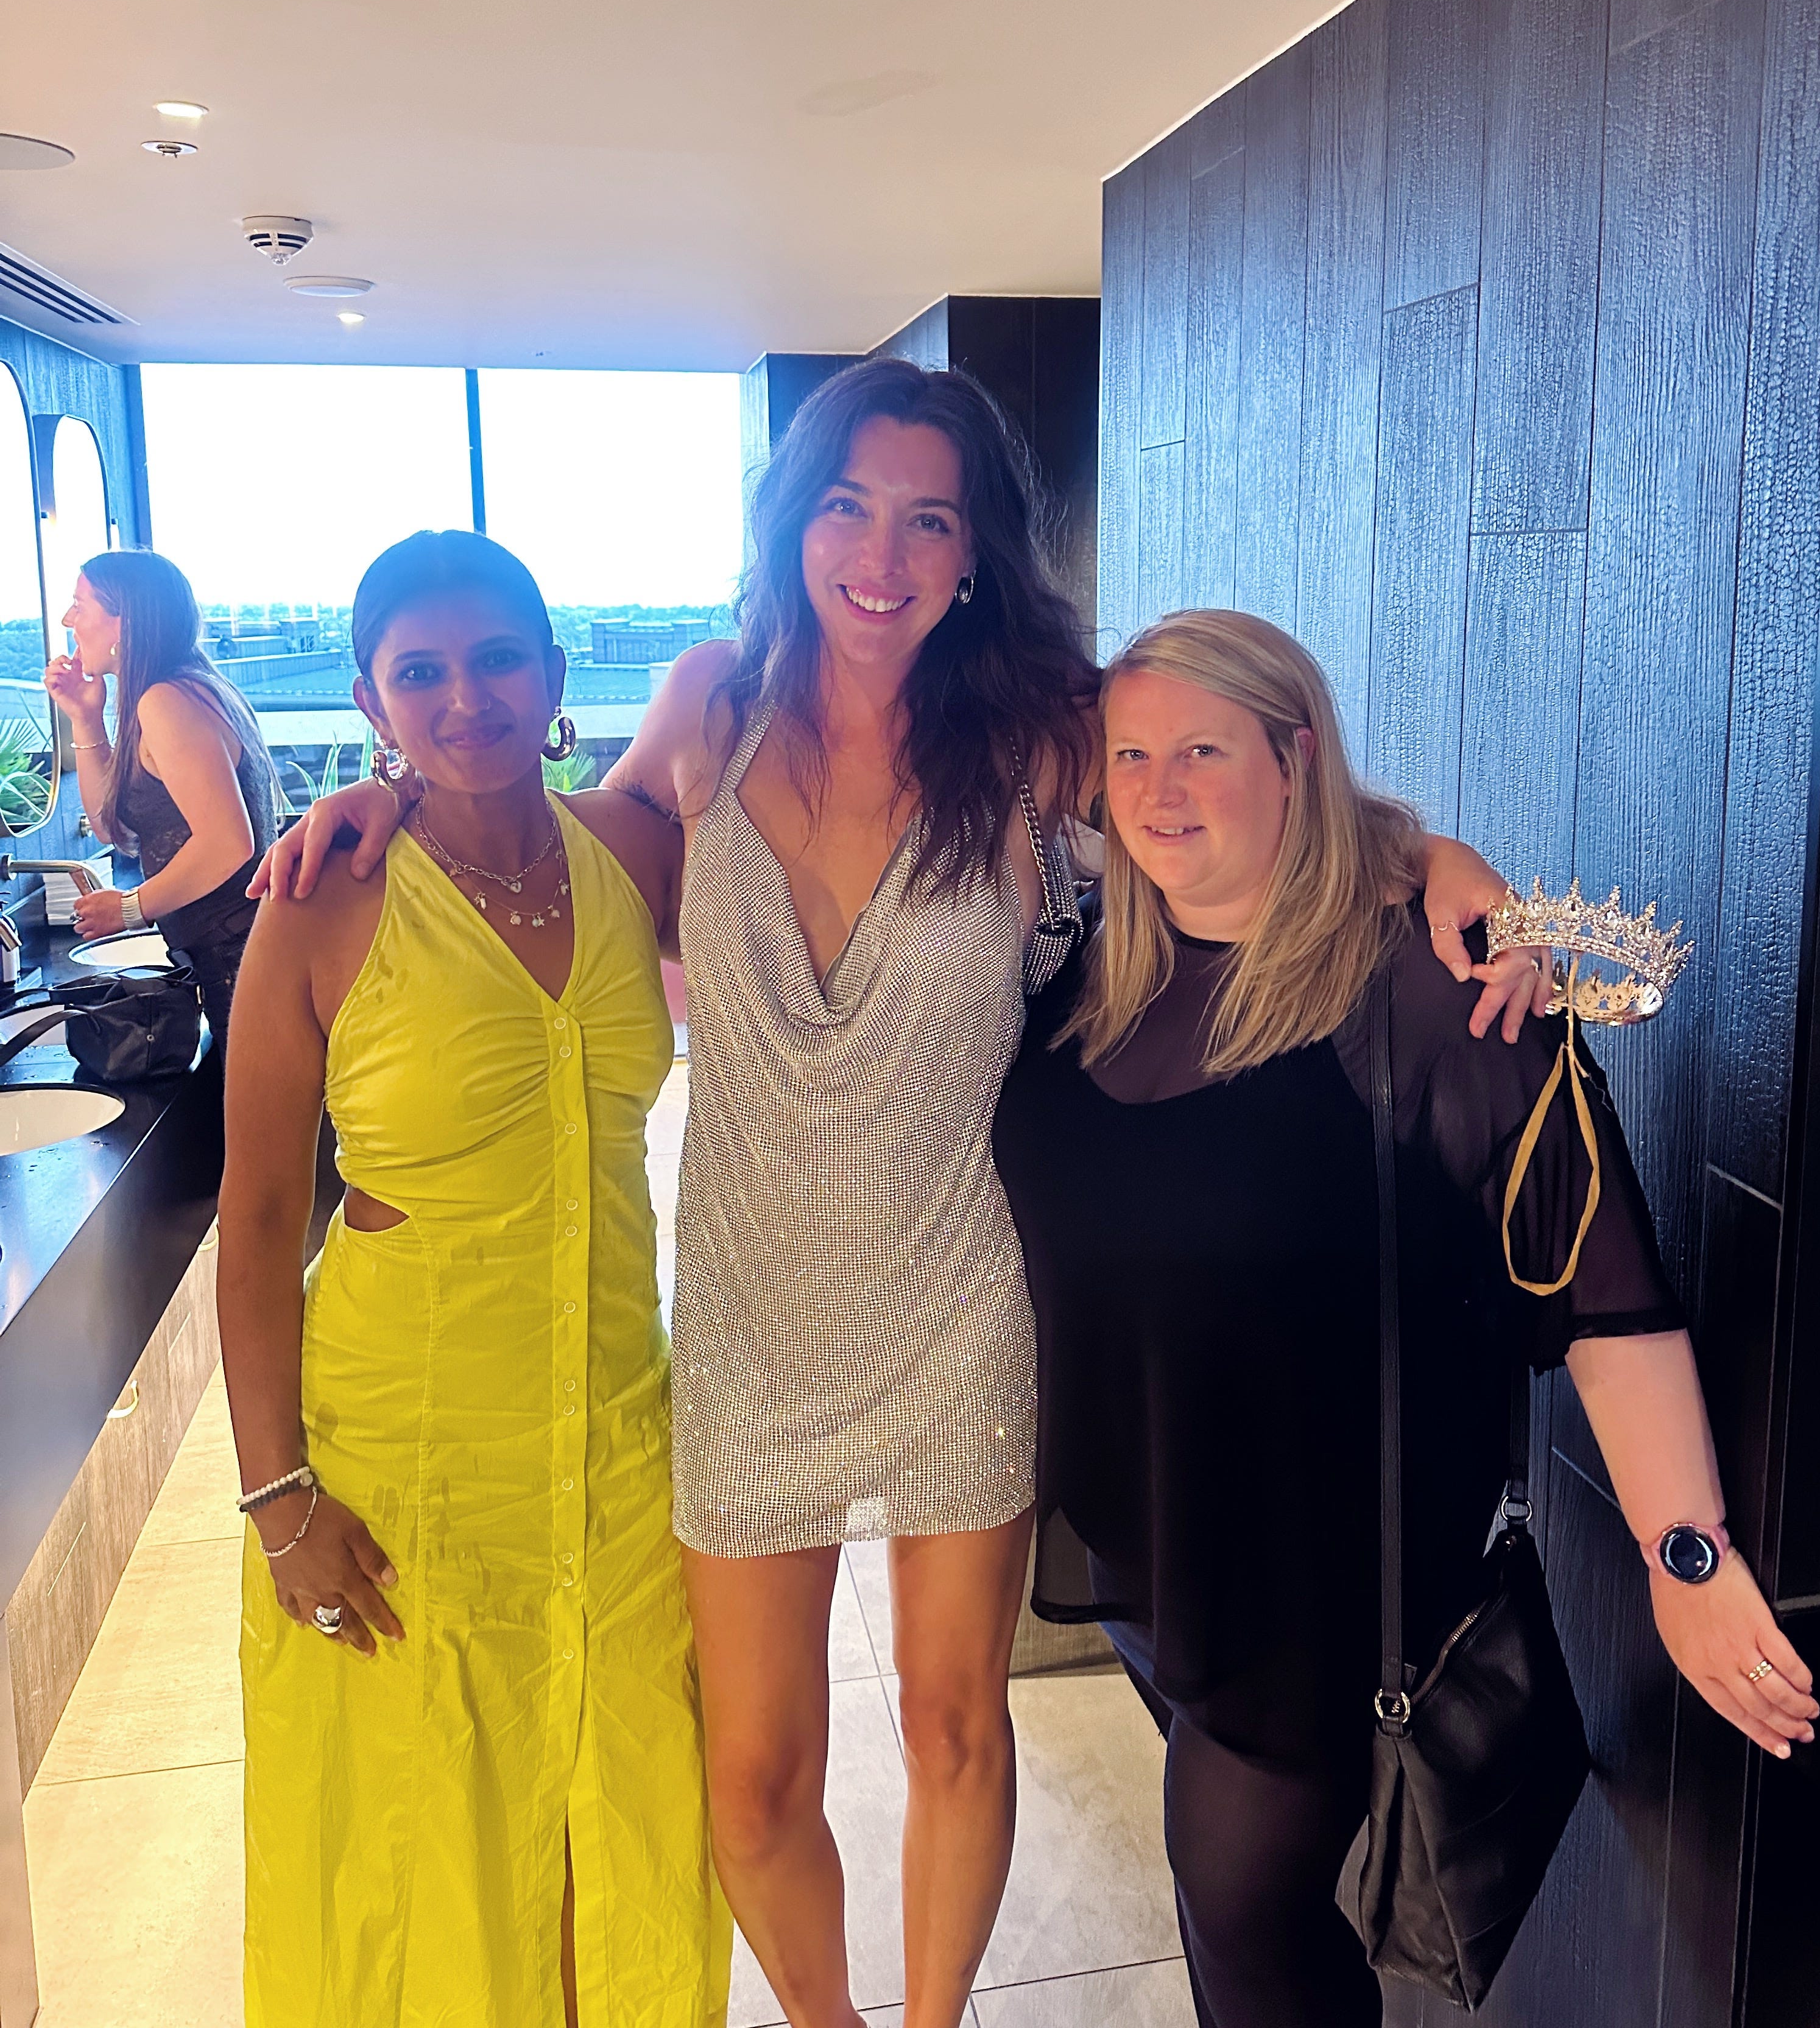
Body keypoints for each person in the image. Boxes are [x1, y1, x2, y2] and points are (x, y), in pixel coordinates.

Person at [258, 364, 1534, 2028]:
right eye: (851, 507)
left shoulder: (1032, 737)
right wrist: (388, 796)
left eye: (930, 520)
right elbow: (559, 839)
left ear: (974, 553)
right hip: (750, 1321)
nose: (882, 554)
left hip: (957, 1301)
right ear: (796, 522)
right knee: (751, 1777)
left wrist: (1430, 858)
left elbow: (1232, 785)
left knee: (952, 1727)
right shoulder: (708, 708)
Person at [990, 608, 1818, 2028]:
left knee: (1247, 1933)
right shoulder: (1094, 966)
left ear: (1296, 757)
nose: (1160, 789)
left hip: (1318, 1583)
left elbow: (1602, 1289)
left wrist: (1685, 1556)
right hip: (1156, 1544)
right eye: (1130, 755)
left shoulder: (1428, 994)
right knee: (1257, 1931)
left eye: (1204, 751)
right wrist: (1428, 847)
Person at [217, 531, 728, 2028]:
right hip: (406, 1456)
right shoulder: (323, 901)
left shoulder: (632, 854)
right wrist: (276, 1498)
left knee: (625, 1831)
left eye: (499, 659)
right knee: (421, 1846)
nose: (465, 698)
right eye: (420, 672)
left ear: (558, 677)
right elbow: (260, 1215)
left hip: (619, 1451)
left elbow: (778, 710)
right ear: (370, 703)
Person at [44, 549, 278, 1050]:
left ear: (125, 621)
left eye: (80, 605)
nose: (67, 620)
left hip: (242, 962)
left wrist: (131, 909)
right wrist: (85, 718)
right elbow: (113, 828)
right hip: (244, 956)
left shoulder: (166, 701)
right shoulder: (189, 687)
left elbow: (228, 844)